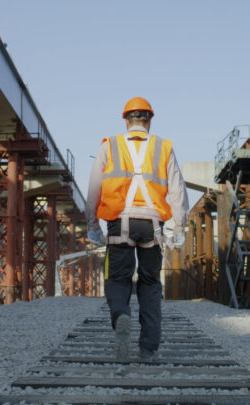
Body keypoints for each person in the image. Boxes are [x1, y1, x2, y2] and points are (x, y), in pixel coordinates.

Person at [86, 97, 189, 360]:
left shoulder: (110, 145)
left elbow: (94, 189)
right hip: (153, 224)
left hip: (120, 222)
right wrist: (180, 228)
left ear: (125, 120)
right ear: (150, 120)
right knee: (150, 283)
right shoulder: (164, 147)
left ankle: (121, 315)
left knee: (117, 279)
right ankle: (148, 348)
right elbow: (178, 190)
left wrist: (92, 224)